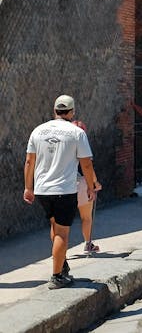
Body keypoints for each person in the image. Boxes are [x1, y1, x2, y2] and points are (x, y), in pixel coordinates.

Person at [23, 95, 100, 289]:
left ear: (54, 110)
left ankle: (62, 264)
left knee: (55, 227)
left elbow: (29, 161)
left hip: (42, 189)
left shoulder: (38, 131)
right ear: (72, 112)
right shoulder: (76, 133)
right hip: (64, 189)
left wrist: (28, 187)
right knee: (62, 234)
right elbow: (86, 164)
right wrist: (91, 186)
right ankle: (57, 276)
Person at [72, 120, 101, 254]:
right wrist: (94, 183)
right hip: (81, 183)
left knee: (60, 222)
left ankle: (60, 252)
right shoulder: (83, 145)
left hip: (63, 184)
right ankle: (88, 244)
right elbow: (88, 167)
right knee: (86, 217)